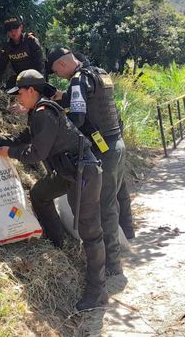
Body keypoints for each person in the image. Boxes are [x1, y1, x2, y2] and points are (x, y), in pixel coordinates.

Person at [0, 69, 107, 311]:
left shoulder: (44, 114)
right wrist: (0, 140)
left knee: (89, 230)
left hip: (83, 173)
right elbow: (26, 137)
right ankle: (59, 241)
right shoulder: (37, 112)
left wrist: (10, 153)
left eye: (20, 93)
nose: (18, 98)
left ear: (32, 91)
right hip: (68, 172)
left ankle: (97, 290)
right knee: (40, 194)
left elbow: (36, 153)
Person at [47, 47, 125, 276]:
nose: (59, 76)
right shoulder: (99, 72)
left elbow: (78, 118)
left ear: (61, 65)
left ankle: (111, 264)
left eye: (56, 71)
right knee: (111, 202)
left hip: (104, 150)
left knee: (104, 206)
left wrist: (55, 117)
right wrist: (64, 97)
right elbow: (94, 104)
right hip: (116, 143)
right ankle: (113, 258)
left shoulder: (79, 79)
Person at [0, 16, 45, 88]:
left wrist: (39, 81)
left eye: (16, 28)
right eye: (9, 30)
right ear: (7, 32)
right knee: (9, 85)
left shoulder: (31, 41)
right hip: (21, 78)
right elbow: (1, 68)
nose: (13, 32)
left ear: (21, 27)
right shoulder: (7, 48)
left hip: (36, 76)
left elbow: (40, 63)